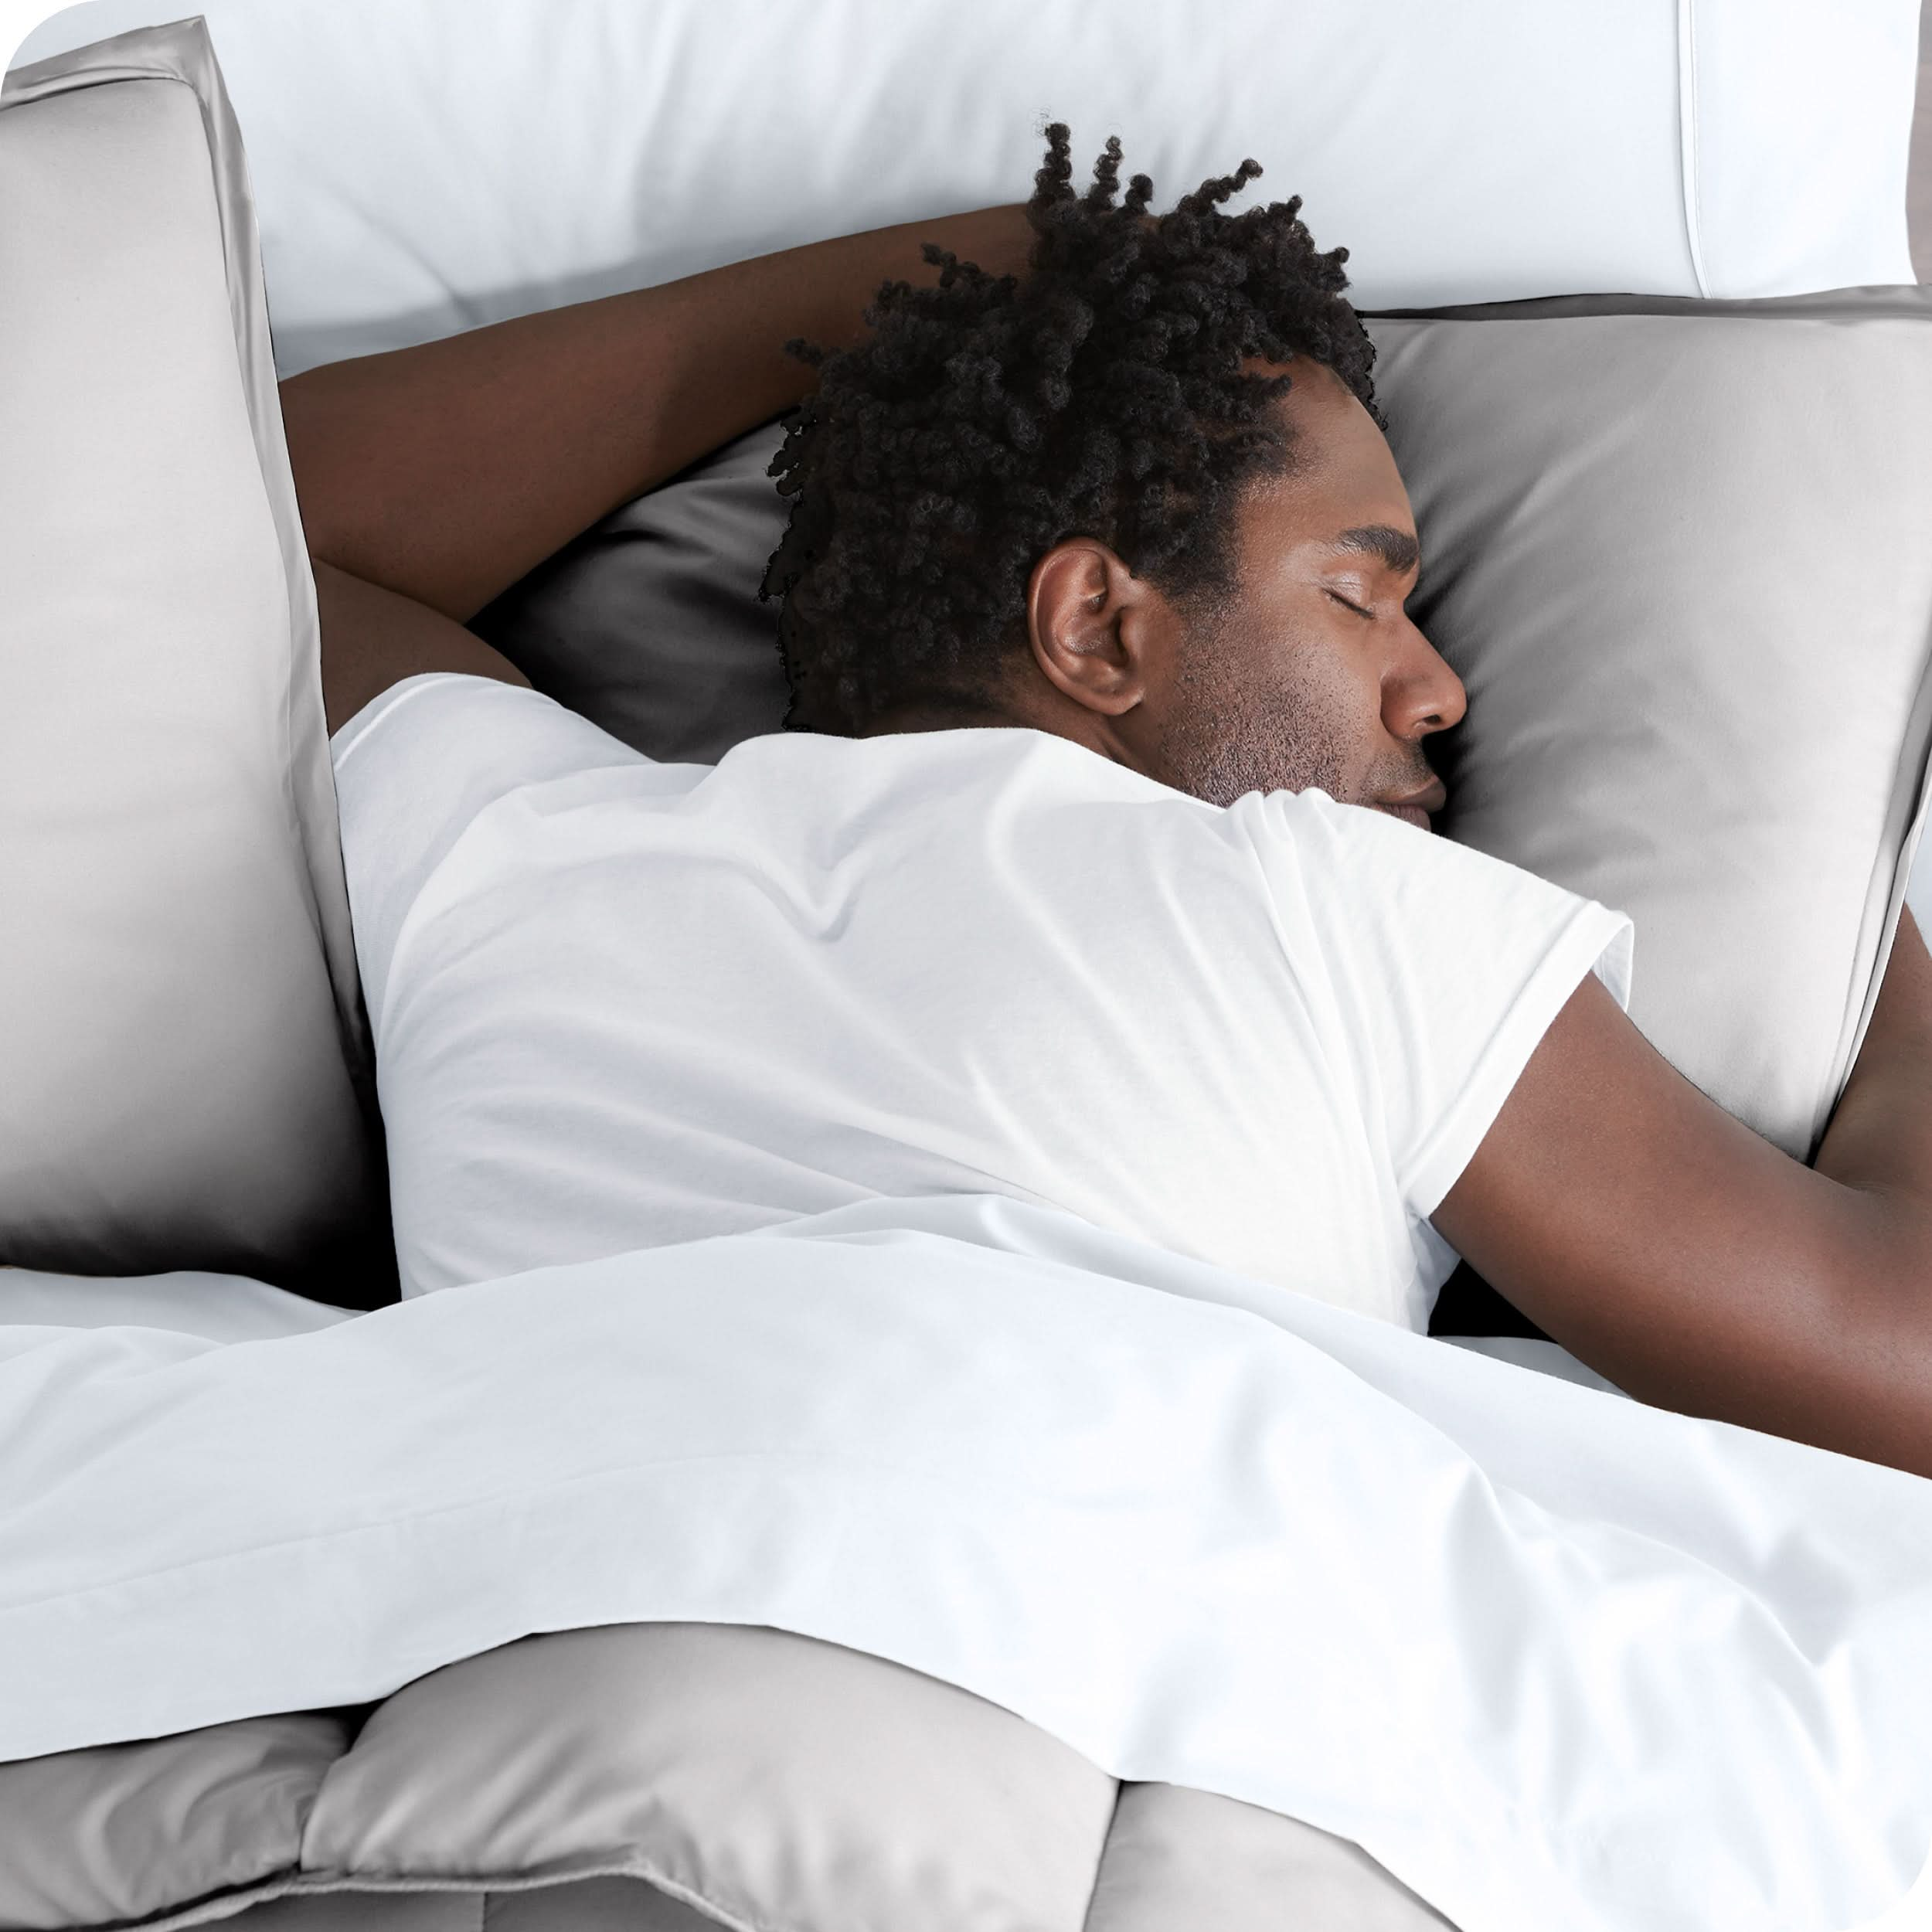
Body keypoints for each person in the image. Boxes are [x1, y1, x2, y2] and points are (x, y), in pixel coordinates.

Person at [283, 128, 1932, 1480]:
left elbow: (226, 528)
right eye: (1359, 596)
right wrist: (1859, 928)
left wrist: (910, 284)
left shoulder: (505, 848)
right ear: (1095, 623)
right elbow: (1903, 1358)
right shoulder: (1328, 909)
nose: (1437, 691)